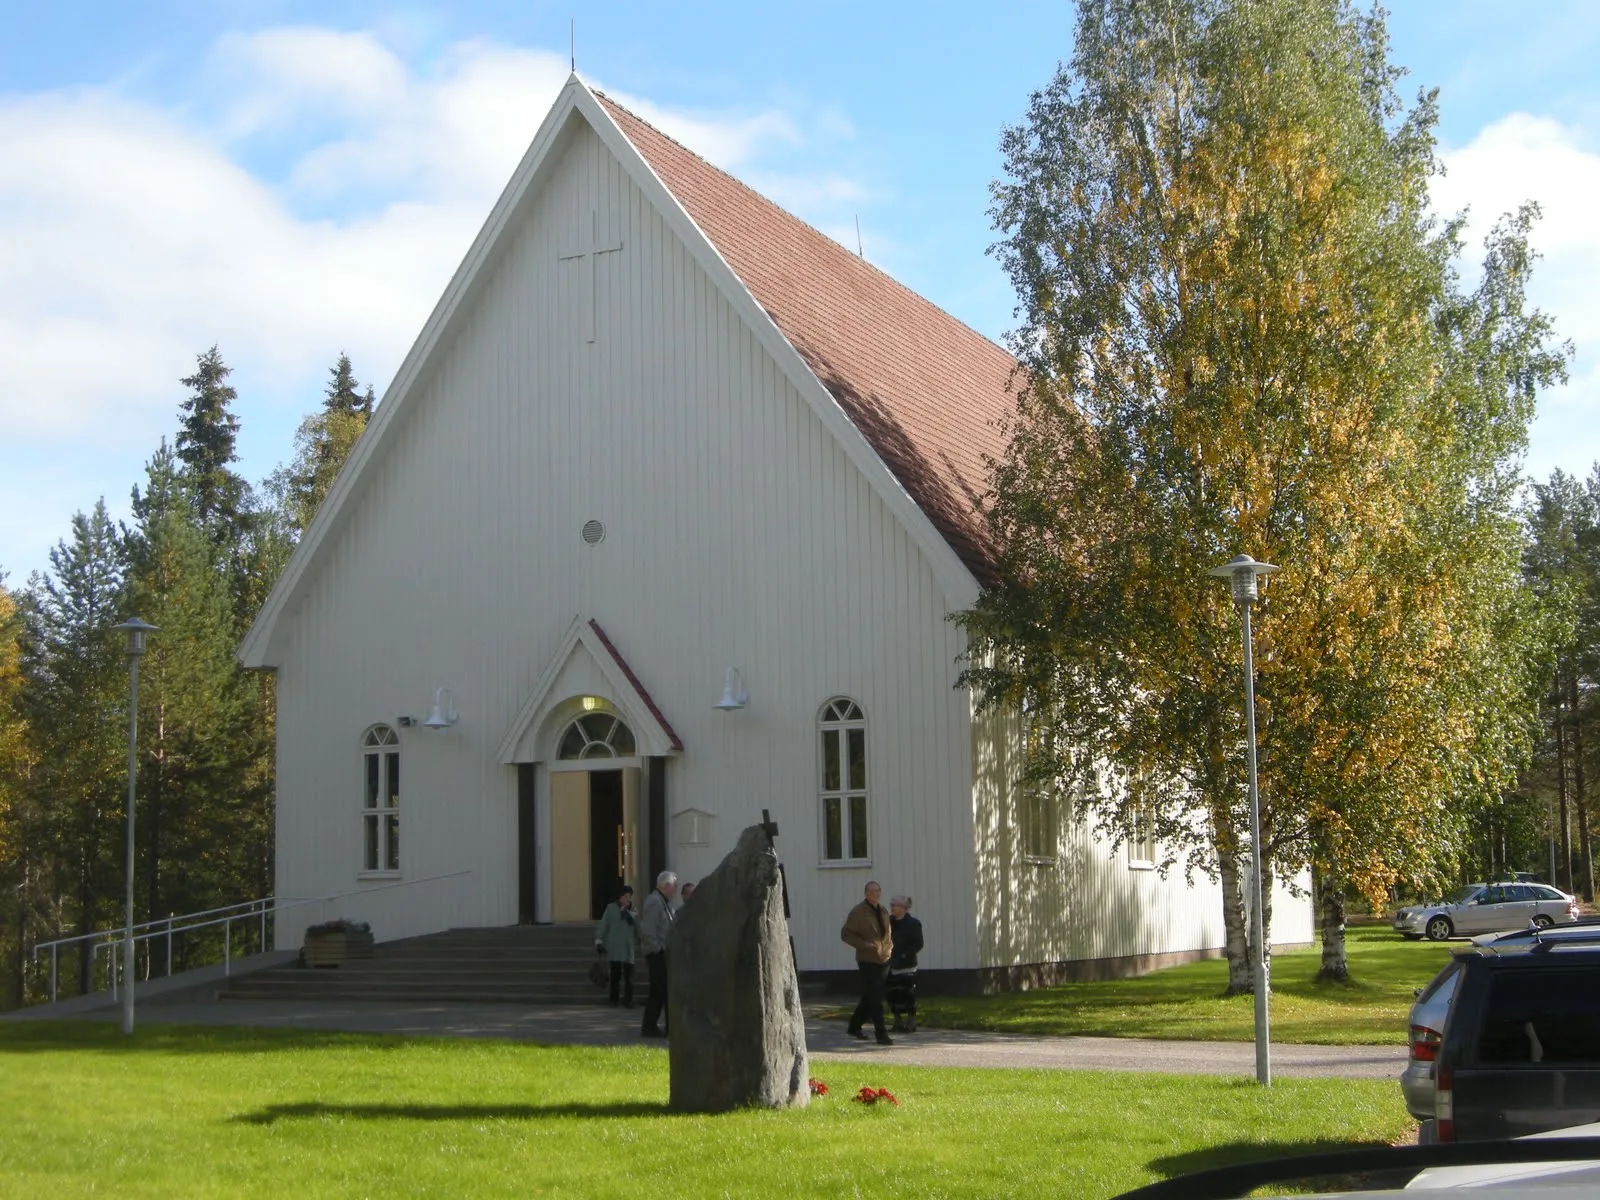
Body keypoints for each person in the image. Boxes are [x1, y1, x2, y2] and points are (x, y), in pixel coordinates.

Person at [841, 880, 894, 1045]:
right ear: (866, 894)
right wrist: (864, 945)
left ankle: (854, 1026)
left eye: (877, 891)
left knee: (872, 995)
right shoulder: (858, 912)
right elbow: (846, 934)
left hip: (884, 959)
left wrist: (889, 947)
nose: (875, 894)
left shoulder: (883, 910)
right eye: (872, 891)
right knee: (875, 997)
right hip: (867, 959)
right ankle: (881, 1034)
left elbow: (887, 933)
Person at [638, 870, 678, 1038]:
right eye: (674, 886)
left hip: (663, 953)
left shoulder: (664, 902)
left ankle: (653, 1025)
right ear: (666, 885)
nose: (675, 889)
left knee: (660, 991)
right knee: (660, 990)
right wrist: (658, 948)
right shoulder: (654, 902)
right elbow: (648, 930)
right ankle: (651, 1026)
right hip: (657, 954)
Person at [594, 885, 638, 1007]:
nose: (627, 899)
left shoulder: (633, 910)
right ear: (620, 897)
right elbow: (604, 924)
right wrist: (599, 939)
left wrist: (641, 939)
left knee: (629, 977)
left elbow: (637, 926)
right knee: (615, 975)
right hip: (615, 946)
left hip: (628, 947)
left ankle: (628, 1000)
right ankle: (614, 999)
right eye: (625, 896)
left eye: (629, 896)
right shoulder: (611, 908)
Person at [886, 895, 924, 1033]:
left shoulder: (913, 923)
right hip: (891, 963)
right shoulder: (888, 923)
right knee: (892, 993)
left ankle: (911, 1020)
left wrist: (905, 955)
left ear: (903, 908)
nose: (892, 908)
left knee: (908, 993)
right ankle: (897, 1020)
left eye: (894, 905)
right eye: (891, 905)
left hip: (908, 965)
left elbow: (918, 944)